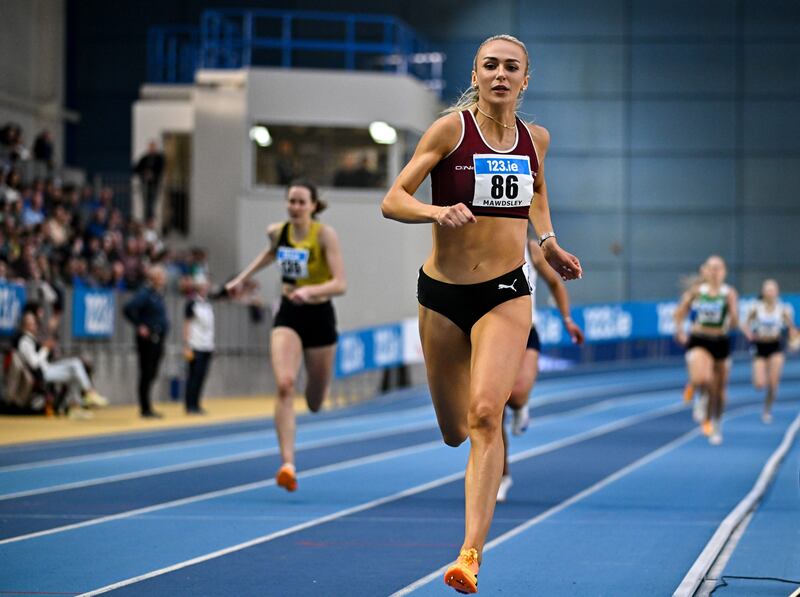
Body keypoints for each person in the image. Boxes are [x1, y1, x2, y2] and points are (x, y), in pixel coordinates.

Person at [380, 34, 582, 594]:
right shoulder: (450, 131)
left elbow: (537, 193)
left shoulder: (535, 139)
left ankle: (470, 555)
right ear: (476, 71)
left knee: (486, 415)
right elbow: (392, 198)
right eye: (490, 65)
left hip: (507, 291)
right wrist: (434, 210)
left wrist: (548, 242)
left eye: (510, 67)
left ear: (525, 79)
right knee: (453, 431)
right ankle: (466, 444)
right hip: (443, 296)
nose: (499, 74)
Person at [226, 179, 346, 492]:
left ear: (313, 206)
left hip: (319, 315)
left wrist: (310, 291)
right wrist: (241, 279)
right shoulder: (277, 232)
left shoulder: (324, 236)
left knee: (316, 401)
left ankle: (315, 390)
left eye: (301, 202)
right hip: (289, 314)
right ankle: (287, 464)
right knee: (284, 384)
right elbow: (269, 254)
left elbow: (340, 283)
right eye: (291, 201)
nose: (294, 207)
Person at [497, 233, 584, 502]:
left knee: (517, 395)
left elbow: (555, 285)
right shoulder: (483, 243)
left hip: (525, 332)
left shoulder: (532, 249)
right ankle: (501, 475)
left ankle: (521, 406)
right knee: (491, 409)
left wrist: (567, 319)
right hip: (491, 334)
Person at [674, 256, 738, 445]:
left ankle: (715, 423)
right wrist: (680, 331)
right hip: (699, 339)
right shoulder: (696, 292)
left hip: (721, 341)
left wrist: (732, 314)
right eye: (711, 268)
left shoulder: (729, 293)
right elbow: (679, 312)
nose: (715, 272)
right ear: (705, 271)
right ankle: (698, 392)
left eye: (718, 268)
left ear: (724, 272)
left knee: (718, 392)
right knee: (702, 378)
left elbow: (734, 323)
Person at [15, 311, 108, 417]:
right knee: (75, 364)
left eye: (34, 323)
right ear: (24, 326)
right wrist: (45, 349)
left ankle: (75, 406)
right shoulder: (24, 342)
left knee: (75, 370)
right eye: (30, 323)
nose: (34, 326)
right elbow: (34, 363)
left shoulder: (33, 339)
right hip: (41, 373)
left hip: (47, 368)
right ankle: (89, 392)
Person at [740, 279, 798, 423]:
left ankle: (767, 409)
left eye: (772, 290)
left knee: (773, 383)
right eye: (767, 290)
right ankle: (763, 377)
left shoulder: (783, 309)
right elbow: (744, 324)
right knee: (759, 384)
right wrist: (748, 334)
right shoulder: (755, 307)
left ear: (777, 292)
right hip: (760, 346)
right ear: (763, 292)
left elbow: (792, 328)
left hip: (776, 346)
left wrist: (793, 339)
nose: (770, 292)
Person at [123, 265, 169, 418]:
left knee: (152, 372)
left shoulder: (158, 294)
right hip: (149, 339)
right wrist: (139, 325)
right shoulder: (145, 293)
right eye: (161, 276)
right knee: (146, 372)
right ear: (154, 278)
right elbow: (128, 308)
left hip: (158, 337)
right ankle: (145, 407)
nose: (164, 279)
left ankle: (148, 405)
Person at [183, 277, 215, 415]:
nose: (206, 288)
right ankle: (190, 405)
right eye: (204, 286)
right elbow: (187, 324)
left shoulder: (208, 304)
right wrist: (186, 344)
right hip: (195, 345)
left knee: (202, 376)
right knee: (193, 376)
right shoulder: (192, 303)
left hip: (207, 345)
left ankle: (197, 403)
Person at [134, 140, 165, 221]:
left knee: (152, 203)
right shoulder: (144, 158)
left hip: (154, 185)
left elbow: (161, 170)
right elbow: (136, 169)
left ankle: (150, 221)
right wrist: (144, 173)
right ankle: (146, 220)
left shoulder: (159, 158)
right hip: (144, 185)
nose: (151, 149)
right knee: (146, 204)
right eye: (150, 147)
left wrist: (152, 174)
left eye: (153, 147)